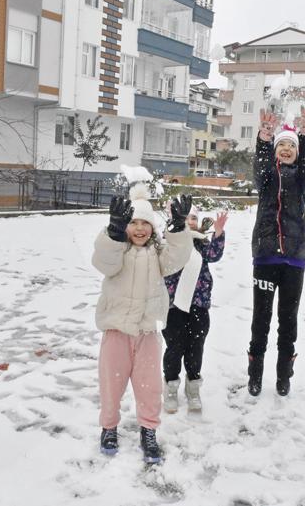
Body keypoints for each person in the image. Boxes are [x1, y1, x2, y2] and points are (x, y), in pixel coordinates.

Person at [91, 184, 193, 464]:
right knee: (111, 383)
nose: (139, 229)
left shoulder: (158, 255)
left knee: (149, 386)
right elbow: (103, 261)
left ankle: (148, 430)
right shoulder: (118, 252)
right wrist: (113, 232)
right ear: (125, 225)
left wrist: (178, 228)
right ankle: (109, 427)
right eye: (133, 222)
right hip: (116, 331)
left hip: (147, 331)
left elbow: (178, 257)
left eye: (145, 223)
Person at [247, 102, 305, 397]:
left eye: (291, 145)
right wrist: (264, 137)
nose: (287, 149)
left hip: (293, 260)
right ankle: (255, 374)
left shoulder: (302, 181)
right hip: (265, 257)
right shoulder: (265, 180)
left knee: (288, 321)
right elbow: (260, 164)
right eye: (282, 145)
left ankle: (283, 375)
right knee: (260, 319)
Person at [162, 208, 228, 413]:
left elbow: (214, 255)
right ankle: (171, 387)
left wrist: (218, 234)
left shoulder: (201, 242)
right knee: (174, 347)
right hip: (173, 306)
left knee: (195, 347)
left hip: (198, 304)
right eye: (186, 217)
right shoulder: (167, 242)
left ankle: (193, 388)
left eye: (193, 218)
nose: (190, 221)